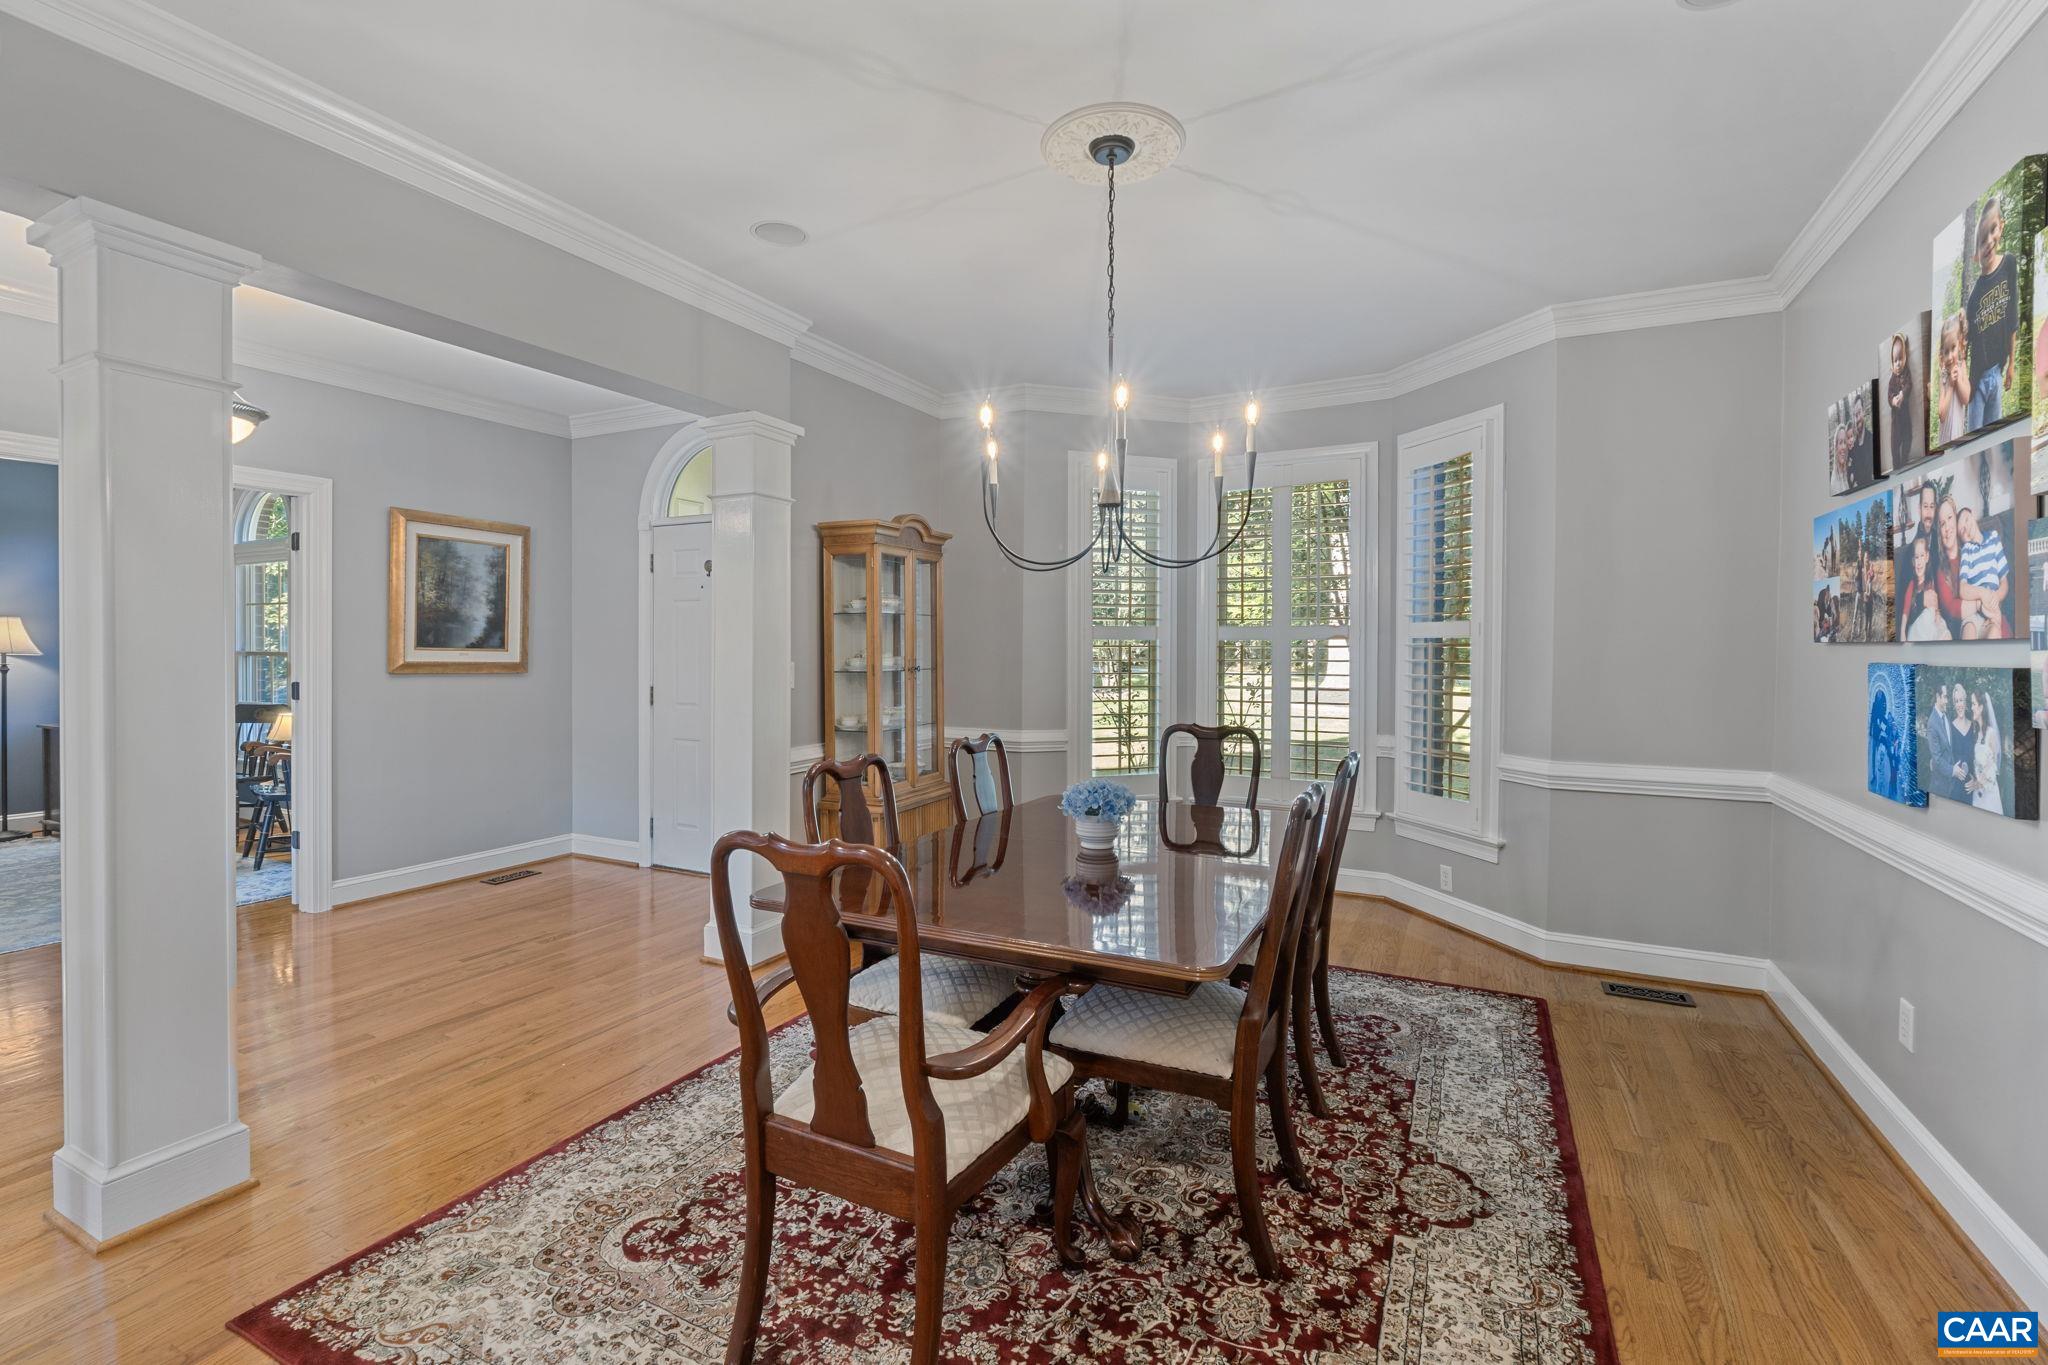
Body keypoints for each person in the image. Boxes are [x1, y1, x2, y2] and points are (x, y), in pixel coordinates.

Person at [1966, 200, 2020, 431]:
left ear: (2001, 227)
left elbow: (2012, 317)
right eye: (1981, 241)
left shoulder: (2009, 264)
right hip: (1977, 380)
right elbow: (1967, 343)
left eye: (1993, 230)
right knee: (1975, 434)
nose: (1988, 241)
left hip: (1997, 373)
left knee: (1994, 435)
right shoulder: (1974, 296)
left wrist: (2011, 365)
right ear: (1976, 254)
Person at [1955, 504, 2012, 639]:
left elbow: (2004, 581)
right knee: (1969, 631)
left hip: (1992, 608)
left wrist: (1995, 598)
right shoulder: (1966, 550)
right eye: (1962, 530)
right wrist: (1983, 595)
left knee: (1994, 634)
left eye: (1967, 520)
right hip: (1974, 612)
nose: (1967, 528)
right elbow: (1962, 589)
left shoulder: (1993, 538)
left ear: (1973, 515)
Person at [1903, 535, 1955, 641]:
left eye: (1922, 556)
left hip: (1932, 623)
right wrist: (1902, 633)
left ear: (1927, 557)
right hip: (1918, 628)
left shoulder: (1930, 580)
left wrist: (1938, 614)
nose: (1919, 561)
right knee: (1927, 614)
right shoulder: (1912, 584)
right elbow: (1906, 611)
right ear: (1913, 562)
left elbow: (1935, 603)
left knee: (1945, 633)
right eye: (1916, 557)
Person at [1886, 331, 1920, 471]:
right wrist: (1893, 400)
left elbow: (1909, 385)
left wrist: (1902, 394)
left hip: (1905, 418)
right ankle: (1896, 465)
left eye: (1900, 358)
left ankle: (1905, 460)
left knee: (1908, 438)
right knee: (1894, 445)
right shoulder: (1892, 380)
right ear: (1892, 363)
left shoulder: (1906, 373)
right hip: (1896, 422)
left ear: (1905, 358)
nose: (1898, 363)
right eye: (1895, 360)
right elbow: (1889, 395)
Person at [1967, 690, 2005, 815]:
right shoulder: (1977, 734)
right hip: (1977, 794)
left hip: (1989, 794)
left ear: (1982, 707)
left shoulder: (1991, 734)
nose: (1971, 707)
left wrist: (1980, 783)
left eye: (1973, 704)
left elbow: (1993, 768)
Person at [1936, 314, 1971, 447]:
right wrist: (1950, 385)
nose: (1950, 356)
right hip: (1945, 439)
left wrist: (1958, 382)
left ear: (1960, 344)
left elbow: (1966, 399)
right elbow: (1942, 414)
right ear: (1942, 353)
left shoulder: (1962, 367)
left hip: (1957, 434)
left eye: (1953, 348)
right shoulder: (1943, 375)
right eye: (1946, 352)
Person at [1924, 685, 1960, 802]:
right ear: (1937, 697)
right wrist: (1952, 770)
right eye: (1944, 697)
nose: (1947, 701)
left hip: (1951, 784)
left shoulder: (1946, 716)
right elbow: (1937, 758)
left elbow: (1949, 747)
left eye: (1947, 697)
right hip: (1939, 785)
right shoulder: (1932, 724)